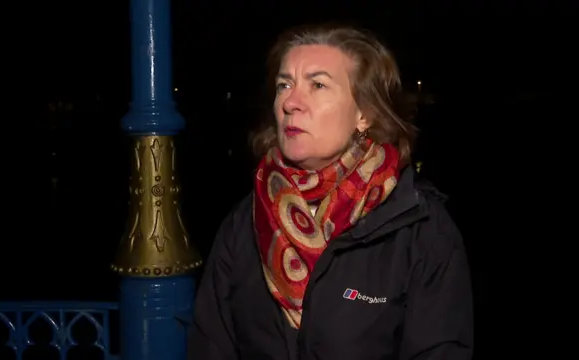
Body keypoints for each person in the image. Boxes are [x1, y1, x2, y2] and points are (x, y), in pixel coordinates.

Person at [187, 24, 473, 360]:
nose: (291, 102)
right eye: (284, 85)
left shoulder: (419, 228)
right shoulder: (243, 223)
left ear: (364, 114)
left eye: (318, 85)